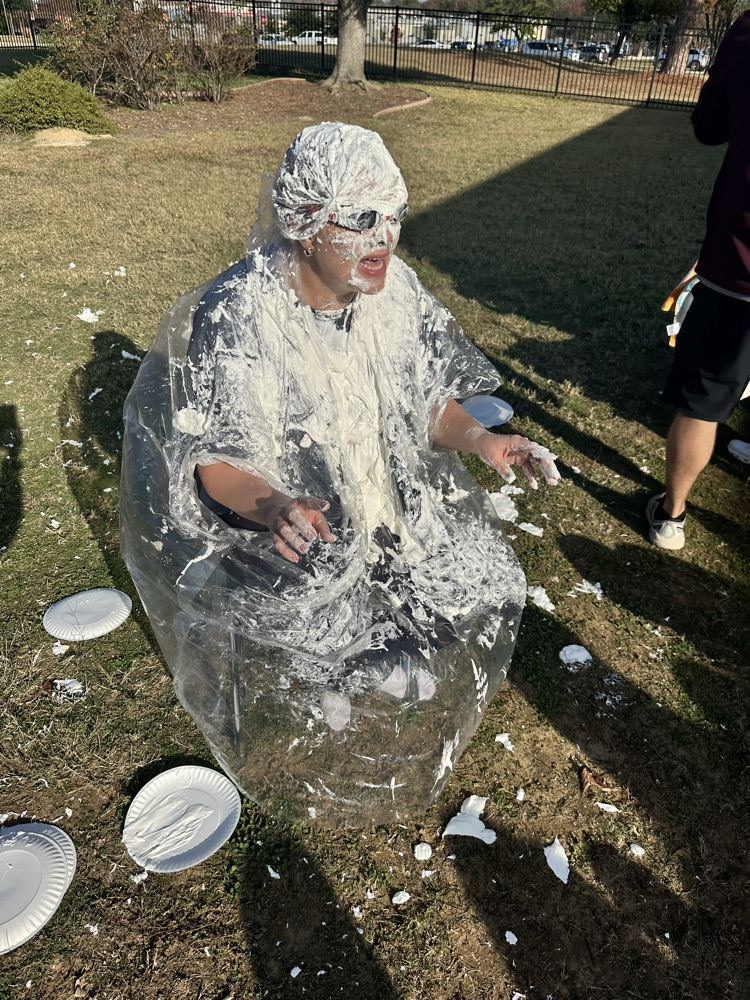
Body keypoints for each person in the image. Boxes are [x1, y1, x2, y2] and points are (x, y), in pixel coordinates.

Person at [120, 122, 559, 827]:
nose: (383, 237)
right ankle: (332, 661)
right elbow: (217, 466)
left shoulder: (394, 291)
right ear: (305, 222)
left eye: (393, 216)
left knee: (489, 577)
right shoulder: (240, 313)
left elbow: (425, 405)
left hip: (377, 498)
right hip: (285, 516)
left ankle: (367, 649)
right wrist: (274, 508)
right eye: (360, 219)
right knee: (317, 579)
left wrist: (482, 440)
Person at [647, 10, 750, 550]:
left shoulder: (748, 30)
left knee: (704, 399)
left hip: (740, 267)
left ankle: (671, 515)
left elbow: (708, 126)